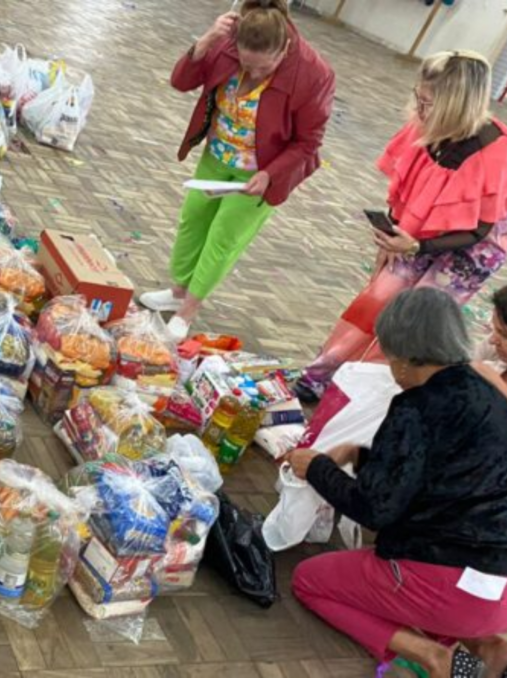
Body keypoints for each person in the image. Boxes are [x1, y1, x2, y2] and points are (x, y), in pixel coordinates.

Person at [287, 288, 507, 678]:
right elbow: (443, 474)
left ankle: (432, 655)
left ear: (404, 359)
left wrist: (318, 468)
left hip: (447, 581)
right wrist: (359, 454)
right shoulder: (489, 393)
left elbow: (377, 510)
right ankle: (486, 642)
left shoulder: (416, 408)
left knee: (309, 580)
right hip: (498, 587)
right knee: (452, 598)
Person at [295, 51, 507, 402]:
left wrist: (416, 248)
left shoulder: (495, 151)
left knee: (416, 319)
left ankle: (365, 395)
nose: (420, 112)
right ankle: (321, 372)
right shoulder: (424, 124)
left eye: (429, 105)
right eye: (419, 99)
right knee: (378, 296)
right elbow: (404, 189)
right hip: (418, 231)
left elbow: (479, 229)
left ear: (456, 106)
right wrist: (390, 238)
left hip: (472, 246)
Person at [139, 0, 335, 339]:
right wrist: (206, 41)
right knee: (193, 219)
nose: (253, 73)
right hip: (218, 154)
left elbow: (309, 141)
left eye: (263, 68)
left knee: (223, 237)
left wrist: (271, 174)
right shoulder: (226, 42)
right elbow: (180, 81)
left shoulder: (313, 73)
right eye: (246, 63)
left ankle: (188, 310)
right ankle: (178, 292)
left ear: (284, 49)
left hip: (260, 171)